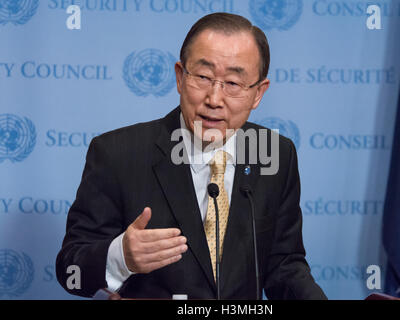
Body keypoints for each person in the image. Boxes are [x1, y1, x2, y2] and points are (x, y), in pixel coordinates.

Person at [56, 12, 326, 300]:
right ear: (180, 77)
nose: (214, 99)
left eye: (233, 83)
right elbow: (71, 272)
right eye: (203, 77)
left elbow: (284, 266)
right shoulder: (118, 154)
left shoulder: (274, 153)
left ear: (258, 93)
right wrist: (121, 257)